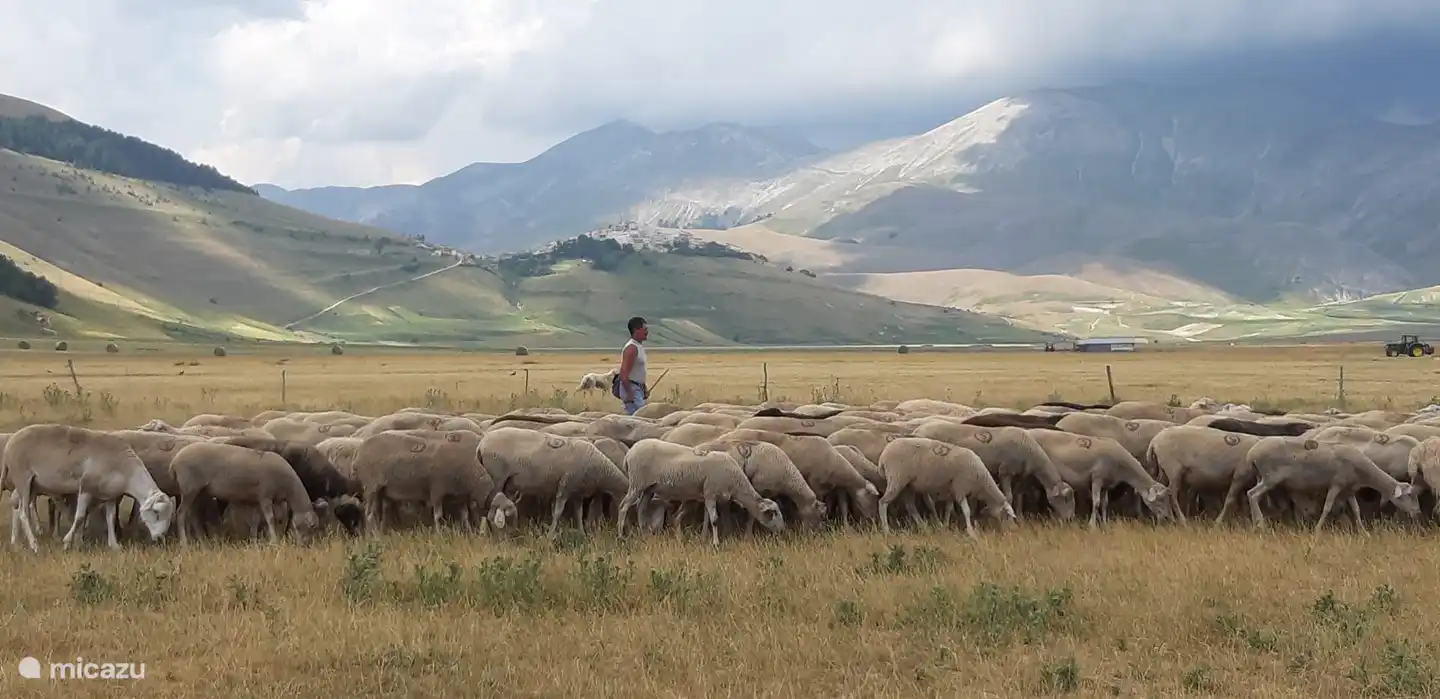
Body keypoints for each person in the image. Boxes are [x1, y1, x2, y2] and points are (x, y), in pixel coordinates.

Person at [615, 316, 649, 415]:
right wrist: (630, 394)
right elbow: (624, 374)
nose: (647, 332)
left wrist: (644, 388)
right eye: (645, 329)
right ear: (636, 330)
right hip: (632, 388)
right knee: (640, 419)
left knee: (641, 418)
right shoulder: (631, 348)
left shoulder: (639, 346)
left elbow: (638, 371)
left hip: (637, 389)